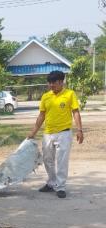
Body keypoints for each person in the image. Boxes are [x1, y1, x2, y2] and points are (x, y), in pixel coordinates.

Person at [27, 70, 84, 198]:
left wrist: (79, 130)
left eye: (54, 83)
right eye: (49, 83)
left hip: (64, 133)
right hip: (48, 133)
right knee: (48, 160)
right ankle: (52, 182)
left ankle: (61, 186)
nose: (51, 85)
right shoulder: (46, 96)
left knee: (61, 161)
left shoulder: (70, 94)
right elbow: (41, 115)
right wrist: (33, 132)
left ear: (61, 82)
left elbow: (75, 112)